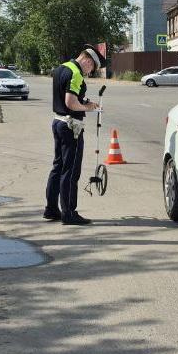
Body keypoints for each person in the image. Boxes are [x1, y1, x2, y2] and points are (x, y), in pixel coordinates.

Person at [44, 45, 103, 225]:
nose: (90, 72)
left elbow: (67, 97)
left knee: (58, 167)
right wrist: (87, 108)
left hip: (58, 122)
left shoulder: (61, 68)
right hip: (71, 126)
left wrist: (85, 102)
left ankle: (52, 209)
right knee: (71, 171)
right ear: (87, 60)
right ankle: (69, 213)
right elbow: (70, 102)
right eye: (92, 68)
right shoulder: (76, 73)